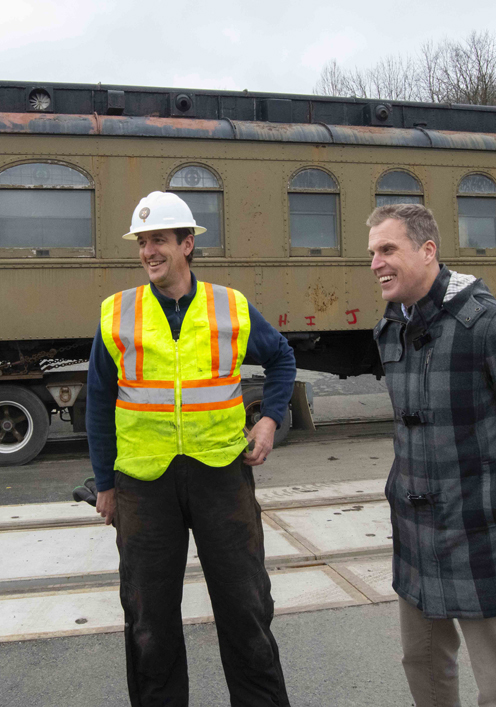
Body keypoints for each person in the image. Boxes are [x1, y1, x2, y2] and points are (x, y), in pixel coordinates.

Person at [87, 191, 296, 706]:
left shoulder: (230, 306)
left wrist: (269, 421)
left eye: (158, 240)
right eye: (142, 242)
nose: (147, 252)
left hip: (221, 476)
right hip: (142, 484)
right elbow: (97, 404)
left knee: (246, 611)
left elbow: (283, 359)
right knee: (148, 623)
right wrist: (106, 485)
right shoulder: (118, 313)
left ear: (187, 245)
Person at [367, 204, 496, 707]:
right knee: (424, 668)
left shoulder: (490, 324)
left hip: (482, 534)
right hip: (417, 536)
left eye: (388, 249)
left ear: (428, 250)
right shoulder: (390, 328)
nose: (375, 263)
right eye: (372, 253)